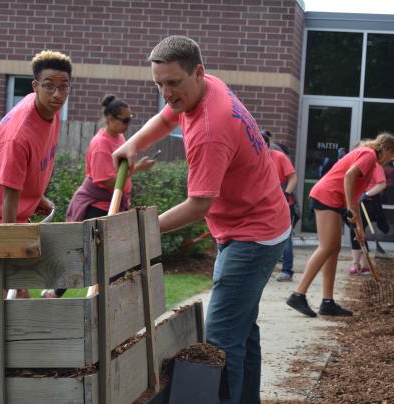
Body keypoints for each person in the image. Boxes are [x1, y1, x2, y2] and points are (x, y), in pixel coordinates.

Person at [112, 35, 290, 404]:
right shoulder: (206, 88)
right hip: (262, 221)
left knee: (221, 341)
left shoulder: (211, 130)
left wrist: (143, 227)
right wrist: (134, 144)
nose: (166, 92)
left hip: (252, 235)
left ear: (198, 72)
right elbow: (167, 116)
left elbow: (198, 205)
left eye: (173, 83)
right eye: (159, 83)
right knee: (243, 329)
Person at [0, 50, 72, 298]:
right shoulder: (18, 136)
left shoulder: (49, 111)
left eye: (64, 86)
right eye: (49, 87)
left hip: (14, 206)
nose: (57, 94)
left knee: (19, 293)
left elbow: (29, 168)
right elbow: (8, 195)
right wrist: (9, 247)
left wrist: (37, 197)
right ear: (35, 86)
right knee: (5, 290)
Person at [42, 94, 155, 299]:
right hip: (98, 204)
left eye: (131, 118)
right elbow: (105, 181)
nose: (128, 125)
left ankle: (104, 295)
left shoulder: (119, 138)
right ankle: (56, 292)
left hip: (114, 204)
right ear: (110, 119)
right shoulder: (100, 144)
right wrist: (138, 169)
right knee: (88, 254)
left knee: (111, 256)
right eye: (125, 120)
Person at [286, 132, 394, 318]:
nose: (390, 160)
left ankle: (327, 302)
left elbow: (355, 195)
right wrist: (351, 211)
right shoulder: (369, 155)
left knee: (334, 248)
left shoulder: (370, 162)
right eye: (392, 155)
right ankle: (298, 295)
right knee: (327, 247)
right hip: (327, 195)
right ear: (387, 149)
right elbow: (348, 177)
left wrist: (360, 229)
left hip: (335, 199)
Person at [261, 131, 298, 282]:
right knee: (262, 237)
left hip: (283, 203)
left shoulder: (279, 157)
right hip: (263, 204)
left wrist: (287, 192)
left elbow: (293, 177)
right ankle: (262, 270)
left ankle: (287, 271)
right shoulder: (254, 157)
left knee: (286, 237)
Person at [348, 162, 386, 275]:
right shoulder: (360, 165)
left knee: (355, 230)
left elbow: (382, 184)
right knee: (358, 231)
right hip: (359, 200)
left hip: (369, 202)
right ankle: (364, 265)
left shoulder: (375, 166)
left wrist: (366, 194)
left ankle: (356, 264)